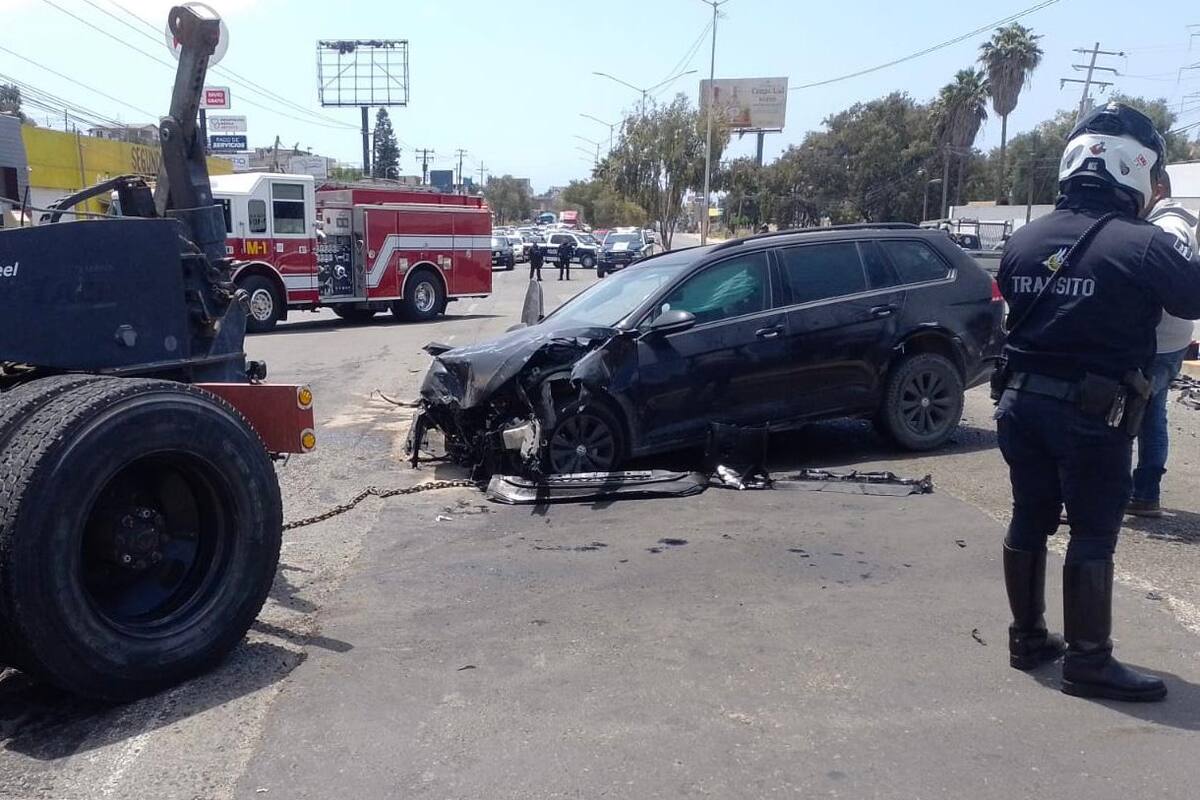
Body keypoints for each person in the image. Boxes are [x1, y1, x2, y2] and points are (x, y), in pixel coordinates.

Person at [995, 103, 1200, 703]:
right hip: (1091, 413)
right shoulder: (1142, 243)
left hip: (1018, 405)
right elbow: (1192, 300)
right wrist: (1177, 223)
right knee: (1092, 532)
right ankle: (1089, 661)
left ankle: (1027, 639)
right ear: (1136, 170)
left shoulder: (1023, 239)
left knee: (1029, 515)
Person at [1128, 171, 1198, 516]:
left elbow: (1161, 283)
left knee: (1129, 415)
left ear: (1157, 190)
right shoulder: (1174, 224)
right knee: (1151, 414)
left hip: (1158, 341)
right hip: (1171, 339)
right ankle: (1143, 493)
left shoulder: (1167, 228)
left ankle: (1131, 493)